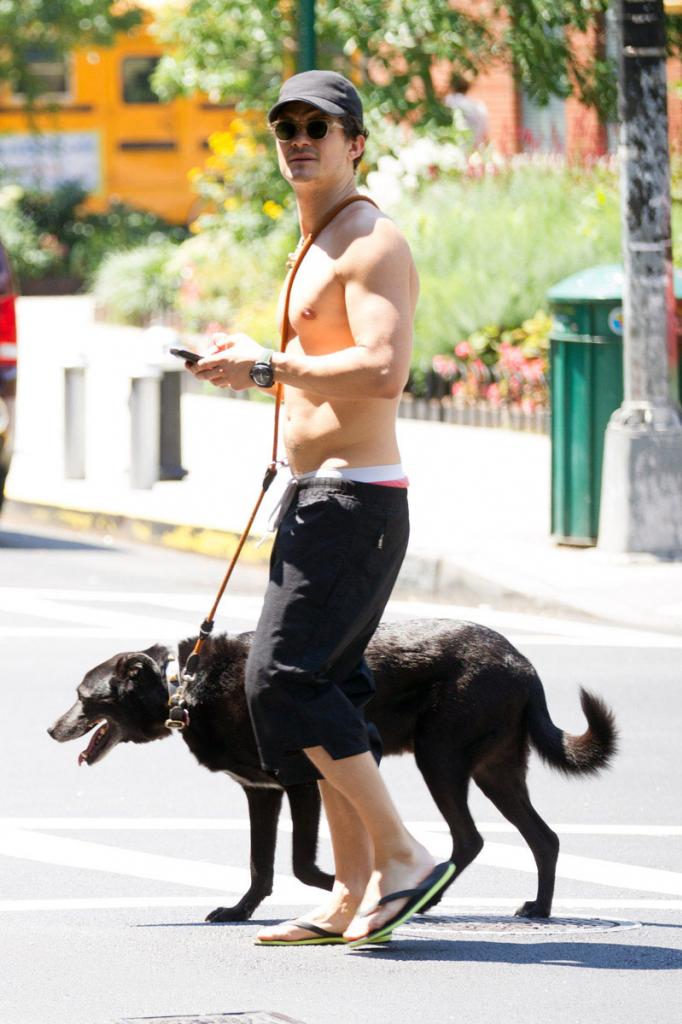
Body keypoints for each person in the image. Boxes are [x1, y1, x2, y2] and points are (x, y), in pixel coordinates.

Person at [189, 70, 454, 947]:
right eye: (286, 127)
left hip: (354, 502)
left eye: (318, 126)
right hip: (317, 499)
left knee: (282, 682)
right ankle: (350, 892)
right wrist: (250, 359)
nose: (299, 138)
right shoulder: (319, 237)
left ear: (356, 144)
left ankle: (403, 854)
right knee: (330, 687)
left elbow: (384, 369)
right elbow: (314, 359)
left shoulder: (373, 241)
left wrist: (269, 365)